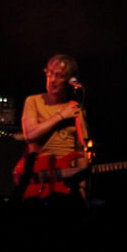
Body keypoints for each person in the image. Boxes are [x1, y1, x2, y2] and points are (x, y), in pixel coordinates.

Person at [20, 54, 88, 197]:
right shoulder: (33, 101)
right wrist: (60, 116)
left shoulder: (76, 109)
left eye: (59, 76)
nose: (52, 80)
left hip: (67, 181)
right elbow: (30, 135)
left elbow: (80, 150)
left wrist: (81, 186)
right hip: (41, 178)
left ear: (69, 81)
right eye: (50, 74)